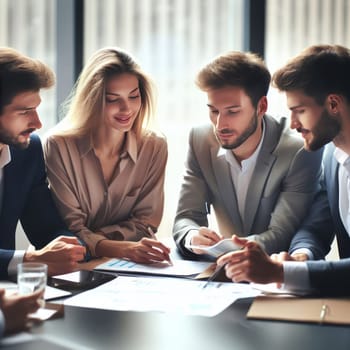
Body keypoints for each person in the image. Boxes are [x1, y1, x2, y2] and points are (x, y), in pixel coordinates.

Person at [217, 44, 350, 296]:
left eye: (300, 110)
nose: (294, 124)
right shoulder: (332, 155)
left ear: (333, 104)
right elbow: (316, 225)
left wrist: (280, 273)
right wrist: (300, 256)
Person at [173, 51, 323, 260]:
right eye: (214, 111)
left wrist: (224, 249)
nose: (220, 125)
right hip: (223, 273)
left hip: (277, 274)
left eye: (232, 111)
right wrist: (192, 236)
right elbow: (186, 217)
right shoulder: (200, 140)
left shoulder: (299, 150)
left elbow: (281, 235)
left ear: (261, 106)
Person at [44, 47, 171, 263]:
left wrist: (97, 241)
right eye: (113, 99)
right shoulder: (58, 145)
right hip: (71, 264)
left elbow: (145, 223)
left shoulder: (154, 146)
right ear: (92, 100)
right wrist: (122, 247)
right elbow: (70, 230)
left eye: (134, 96)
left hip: (131, 266)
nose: (127, 109)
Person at [0, 47, 86, 279]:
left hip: (11, 295)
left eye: (36, 109)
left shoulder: (27, 151)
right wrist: (29, 260)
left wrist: (72, 248)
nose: (38, 123)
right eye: (25, 111)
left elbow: (46, 228)